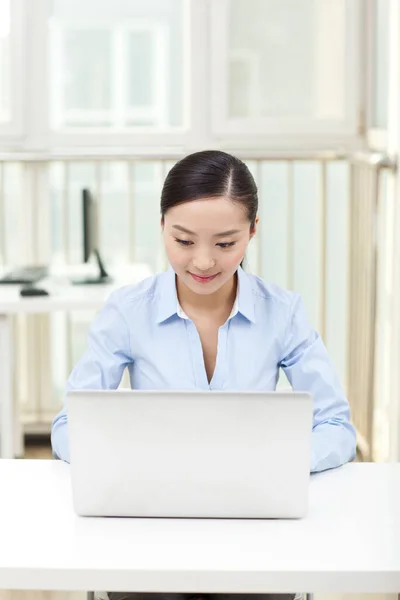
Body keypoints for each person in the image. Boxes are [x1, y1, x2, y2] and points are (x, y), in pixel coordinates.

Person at [51, 150, 356, 600]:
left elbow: (337, 427)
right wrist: (130, 461)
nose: (204, 262)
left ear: (253, 231)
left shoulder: (283, 312)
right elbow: (66, 426)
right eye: (184, 240)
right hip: (150, 520)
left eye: (226, 243)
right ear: (162, 228)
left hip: (256, 522)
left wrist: (273, 462)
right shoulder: (127, 311)